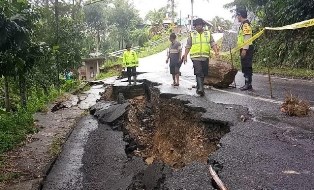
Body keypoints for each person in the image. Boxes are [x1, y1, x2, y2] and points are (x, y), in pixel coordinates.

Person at [183, 18, 219, 96]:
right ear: (195, 26)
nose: (198, 27)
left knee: (204, 72)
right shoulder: (192, 34)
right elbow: (188, 46)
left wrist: (216, 52)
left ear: (202, 26)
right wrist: (185, 55)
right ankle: (200, 89)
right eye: (197, 25)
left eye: (200, 25)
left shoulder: (208, 34)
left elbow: (212, 43)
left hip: (205, 56)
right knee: (199, 71)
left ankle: (199, 86)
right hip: (195, 57)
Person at [237, 9, 254, 91]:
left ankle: (248, 84)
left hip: (246, 48)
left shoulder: (245, 25)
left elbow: (247, 37)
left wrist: (244, 49)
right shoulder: (243, 24)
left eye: (237, 15)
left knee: (247, 66)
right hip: (244, 48)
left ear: (240, 15)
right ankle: (247, 83)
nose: (237, 17)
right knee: (245, 66)